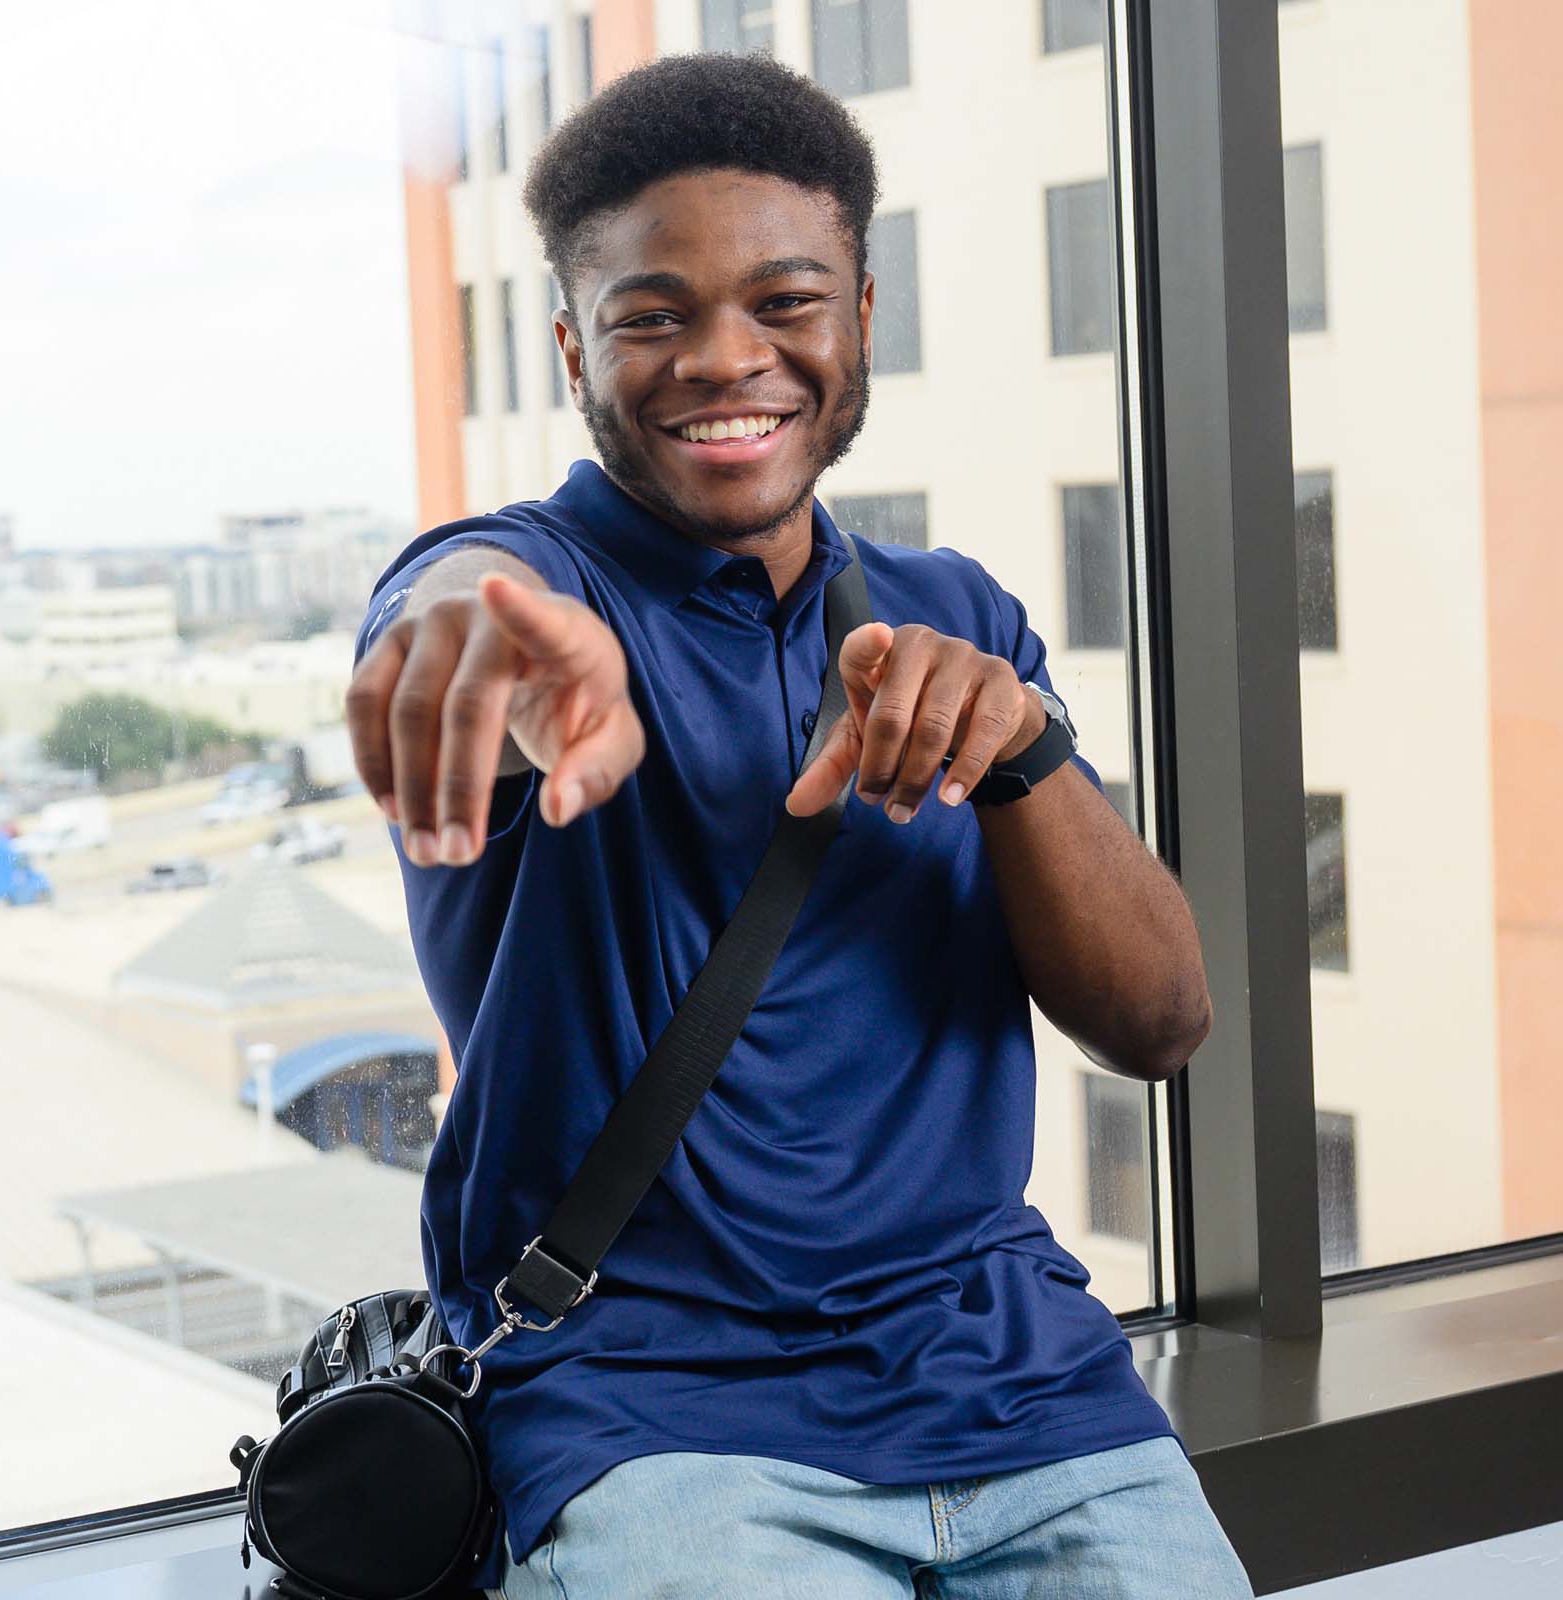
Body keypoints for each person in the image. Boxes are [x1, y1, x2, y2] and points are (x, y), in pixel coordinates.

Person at [348, 51, 1251, 1600]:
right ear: (573, 346)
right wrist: (501, 659)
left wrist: (1021, 746)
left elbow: (1161, 1023)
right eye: (653, 315)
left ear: (858, 321)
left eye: (784, 301)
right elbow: (454, 623)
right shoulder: (520, 574)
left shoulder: (953, 616)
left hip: (1021, 1387)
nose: (725, 357)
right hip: (658, 1423)